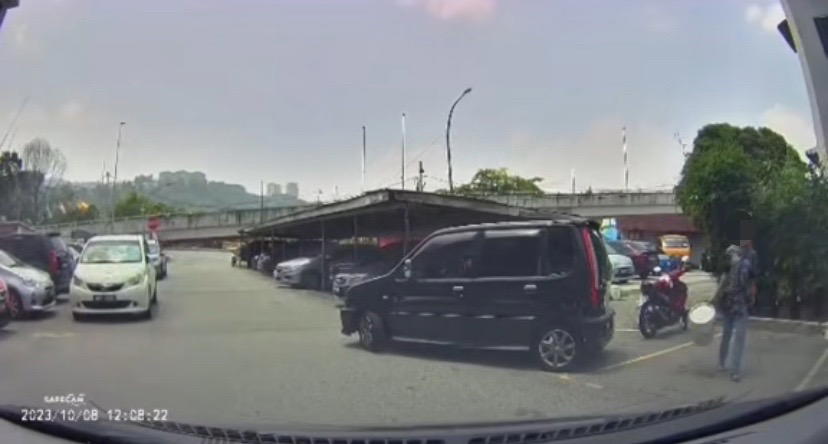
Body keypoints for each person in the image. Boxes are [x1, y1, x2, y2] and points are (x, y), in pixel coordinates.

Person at [716, 244, 755, 382]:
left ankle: (726, 365)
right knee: (737, 337)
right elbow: (750, 284)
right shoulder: (744, 265)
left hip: (732, 305)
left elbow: (722, 285)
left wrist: (715, 300)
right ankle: (733, 370)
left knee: (729, 335)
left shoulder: (739, 266)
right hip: (737, 305)